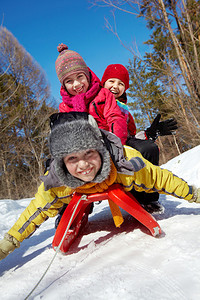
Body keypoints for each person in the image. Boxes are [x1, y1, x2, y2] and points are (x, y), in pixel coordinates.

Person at [0, 111, 199, 261]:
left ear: (100, 150)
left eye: (89, 153)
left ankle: (143, 200)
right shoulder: (57, 183)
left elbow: (161, 178)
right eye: (72, 158)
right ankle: (65, 213)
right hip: (74, 192)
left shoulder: (124, 164)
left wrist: (194, 194)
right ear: (62, 162)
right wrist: (6, 245)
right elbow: (34, 212)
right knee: (54, 205)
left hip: (118, 178)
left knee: (145, 180)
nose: (83, 164)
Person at [101, 63, 178, 213]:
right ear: (103, 82)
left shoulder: (125, 110)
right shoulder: (96, 101)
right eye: (111, 81)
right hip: (102, 144)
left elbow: (131, 136)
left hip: (123, 143)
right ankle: (66, 211)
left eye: (121, 83)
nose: (115, 86)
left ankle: (146, 198)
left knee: (148, 148)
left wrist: (149, 134)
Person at [55, 44, 128, 145]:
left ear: (87, 76)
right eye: (69, 81)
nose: (76, 84)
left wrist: (116, 145)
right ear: (64, 85)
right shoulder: (64, 107)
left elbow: (115, 118)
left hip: (108, 142)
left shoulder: (103, 94)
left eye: (80, 76)